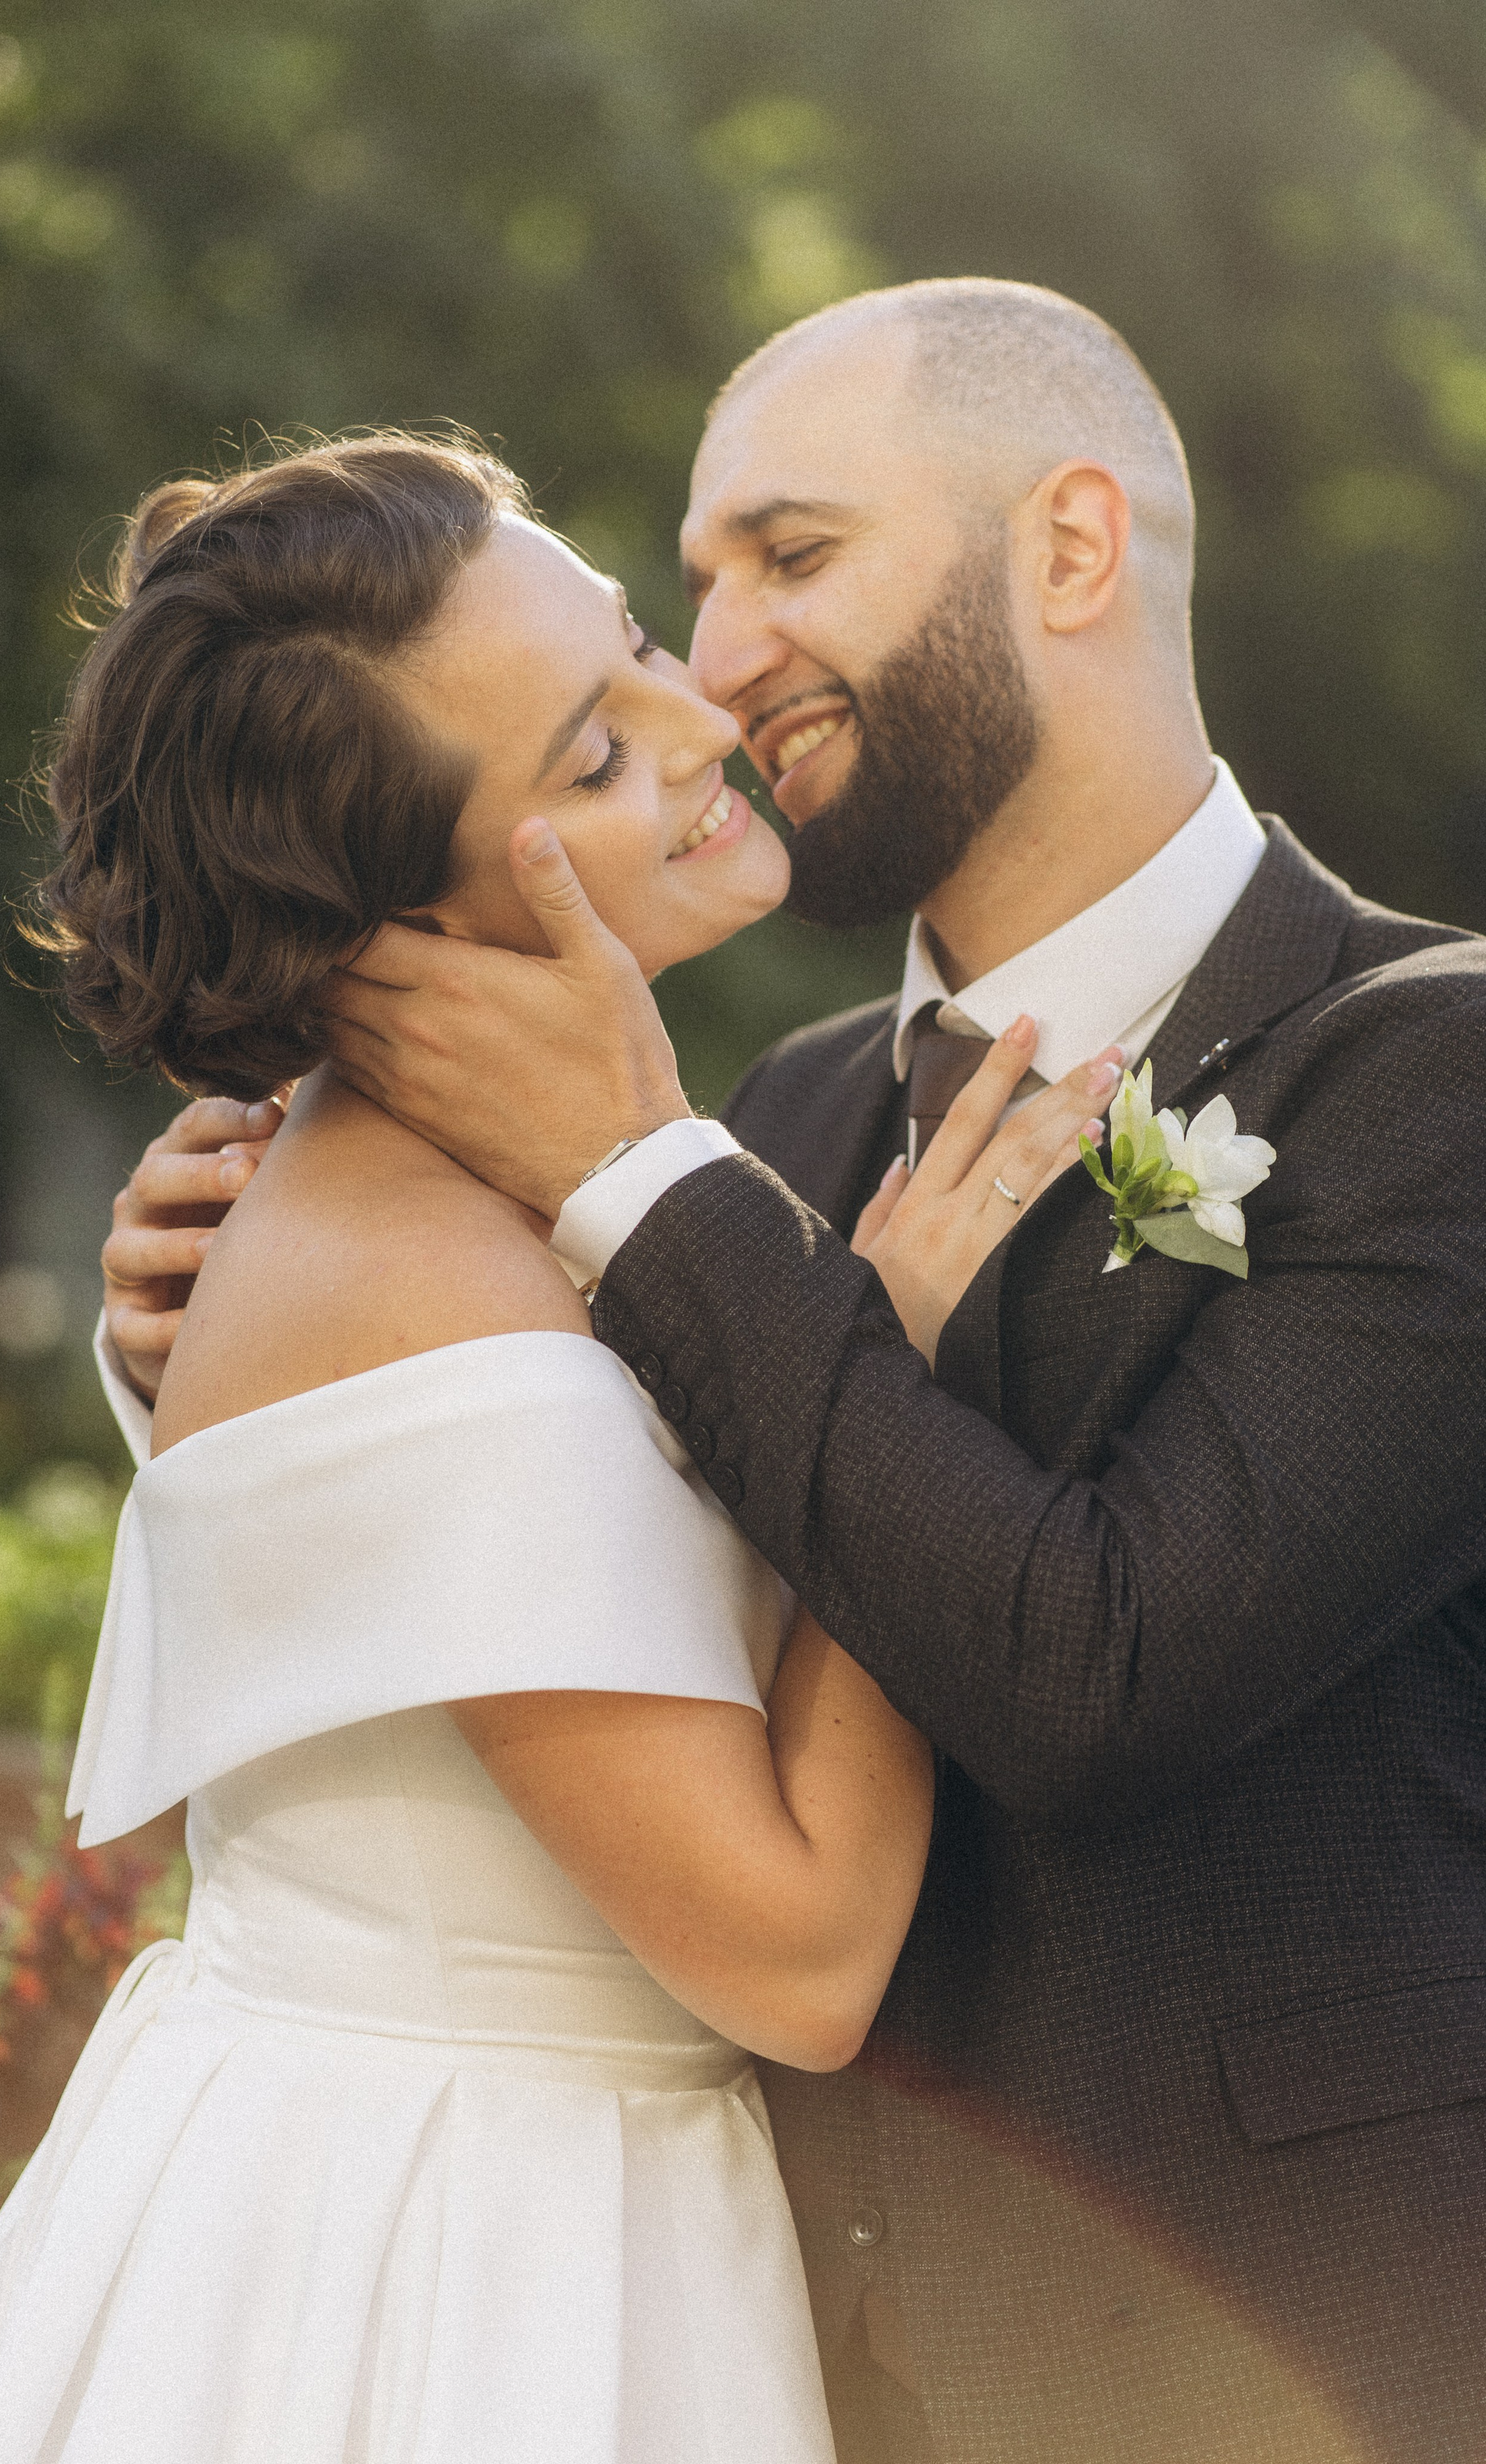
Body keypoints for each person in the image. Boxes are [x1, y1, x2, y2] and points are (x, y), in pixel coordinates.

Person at [110, 282, 1486, 2463]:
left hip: (1274, 2375)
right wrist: (235, 1341)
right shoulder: (776, 1118)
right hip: (756, 2355)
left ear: (1069, 547)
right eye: (696, 583)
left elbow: (1102, 1671)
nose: (724, 654)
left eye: (793, 555)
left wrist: (633, 1185)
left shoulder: (1435, 1069)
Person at [0, 429, 1118, 2464]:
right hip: (468, 2272)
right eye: (592, 758)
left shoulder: (471, 1205)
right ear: (397, 920)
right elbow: (804, 1959)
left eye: (636, 642)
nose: (700, 714)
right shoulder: (438, 1297)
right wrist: (879, 1361)